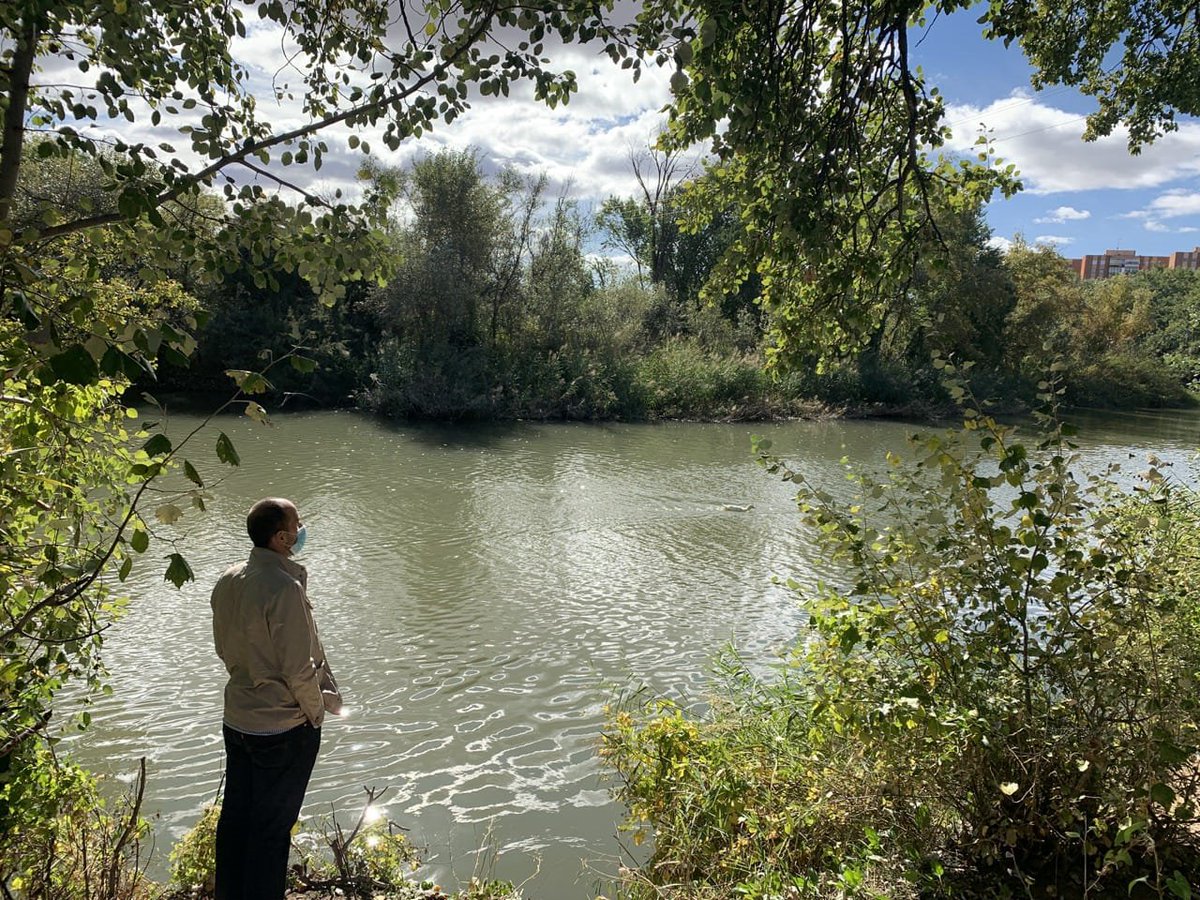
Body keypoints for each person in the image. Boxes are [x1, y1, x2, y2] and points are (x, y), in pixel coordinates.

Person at [210, 497, 335, 899]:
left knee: (236, 822)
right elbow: (299, 669)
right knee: (271, 831)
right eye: (297, 524)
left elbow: (223, 649)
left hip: (237, 720)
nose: (302, 530)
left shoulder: (229, 578)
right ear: (281, 538)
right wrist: (315, 715)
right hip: (282, 729)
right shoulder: (284, 587)